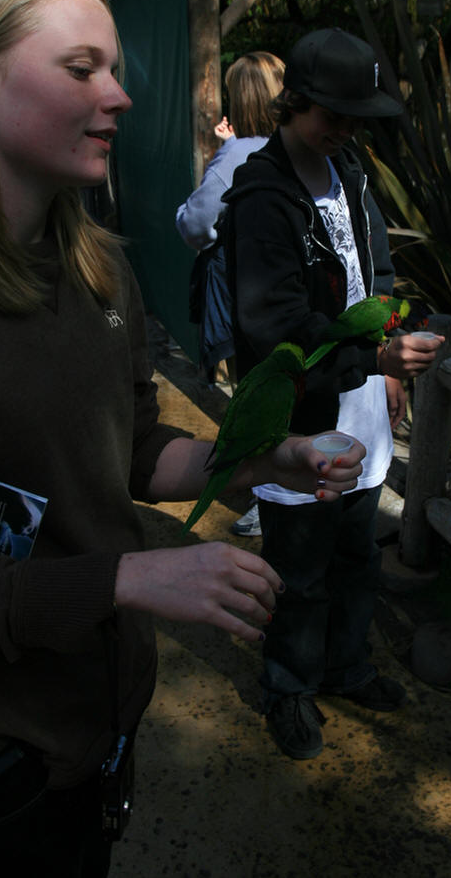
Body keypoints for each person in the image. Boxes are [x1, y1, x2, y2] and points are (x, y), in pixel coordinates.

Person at [0, 0, 366, 877]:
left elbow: (134, 450)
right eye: (81, 68)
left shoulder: (100, 268)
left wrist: (257, 460)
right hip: (2, 756)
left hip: (99, 720)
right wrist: (129, 577)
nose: (121, 95)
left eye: (115, 67)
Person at [223, 28, 444, 760]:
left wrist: (384, 367)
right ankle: (289, 687)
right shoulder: (261, 194)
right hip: (304, 416)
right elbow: (273, 326)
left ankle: (347, 667)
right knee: (300, 570)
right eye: (333, 114)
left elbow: (376, 269)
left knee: (358, 557)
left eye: (356, 116)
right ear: (296, 103)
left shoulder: (345, 167)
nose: (345, 129)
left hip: (363, 410)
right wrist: (371, 354)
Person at [176, 51, 284, 538]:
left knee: (257, 396)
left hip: (254, 303)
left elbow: (197, 223)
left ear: (239, 100)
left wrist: (226, 153)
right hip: (299, 299)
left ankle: (269, 496)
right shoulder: (299, 147)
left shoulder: (239, 157)